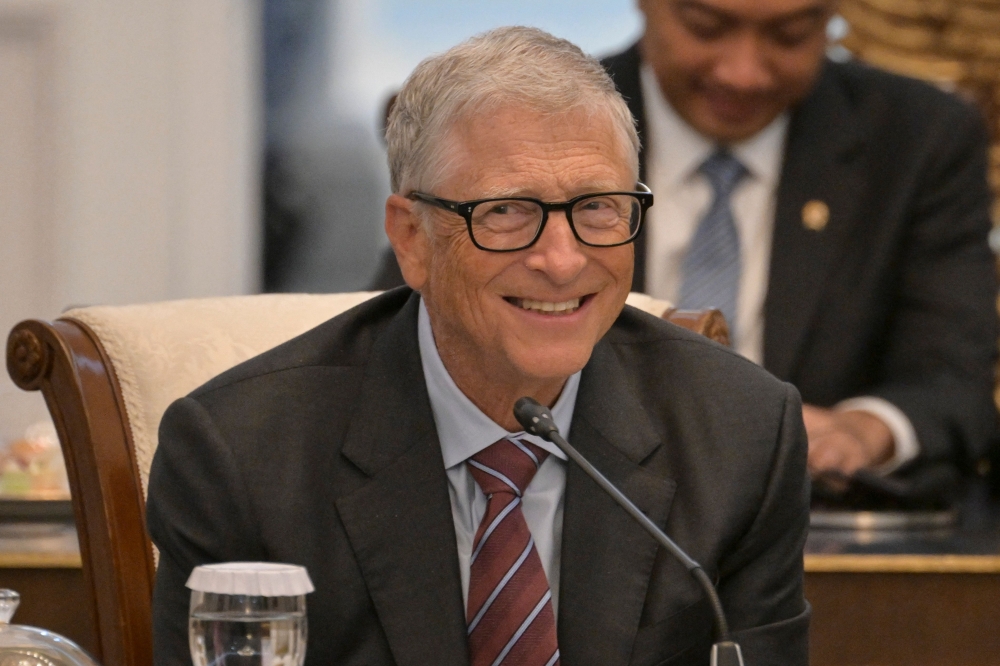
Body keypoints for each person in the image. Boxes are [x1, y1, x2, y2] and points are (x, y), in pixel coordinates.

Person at [148, 26, 809, 666]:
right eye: (506, 211)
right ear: (411, 238)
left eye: (598, 207)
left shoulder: (742, 435)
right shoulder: (242, 453)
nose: (561, 260)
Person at [370, 0, 999, 488]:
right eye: (706, 26)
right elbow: (394, 339)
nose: (743, 71)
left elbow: (954, 377)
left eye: (789, 36)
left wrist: (865, 431)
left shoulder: (919, 139)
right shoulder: (532, 124)